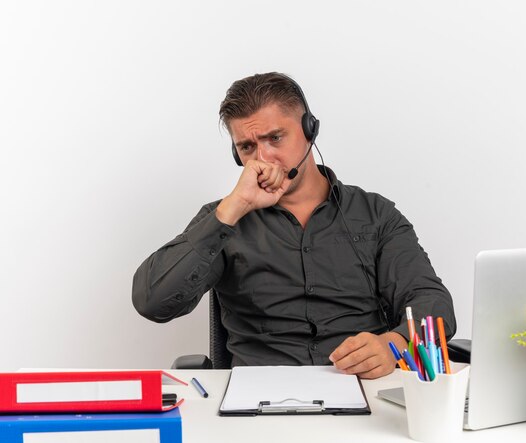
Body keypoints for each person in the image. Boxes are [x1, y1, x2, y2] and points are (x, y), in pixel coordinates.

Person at [132, 72, 456, 379]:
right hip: (258, 397)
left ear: (309, 131)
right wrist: (234, 206)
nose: (263, 158)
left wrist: (394, 345)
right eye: (247, 147)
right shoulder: (224, 218)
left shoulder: (374, 214)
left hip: (359, 384)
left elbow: (433, 302)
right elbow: (154, 303)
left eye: (275, 138)